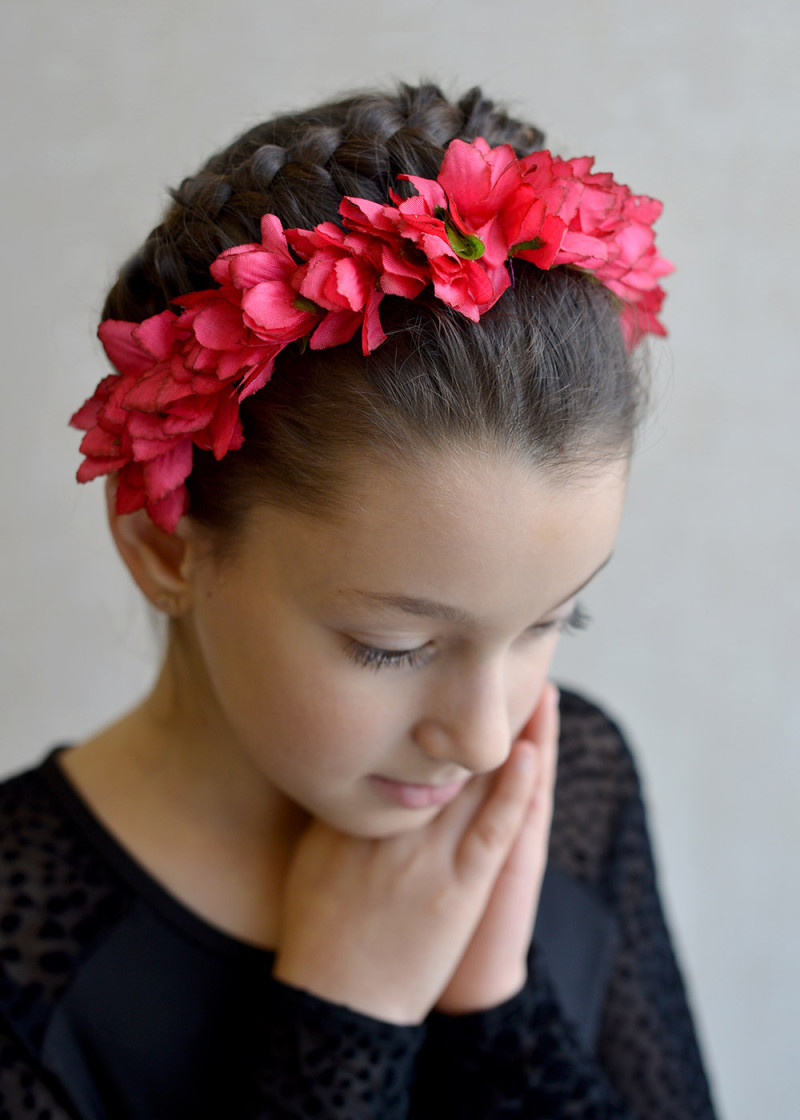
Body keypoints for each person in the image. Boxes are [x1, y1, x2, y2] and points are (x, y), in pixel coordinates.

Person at [0, 82, 717, 1119]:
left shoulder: (573, 786)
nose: (481, 739)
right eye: (393, 645)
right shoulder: (26, 966)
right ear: (164, 546)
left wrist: (495, 1013)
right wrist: (346, 1021)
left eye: (552, 621)